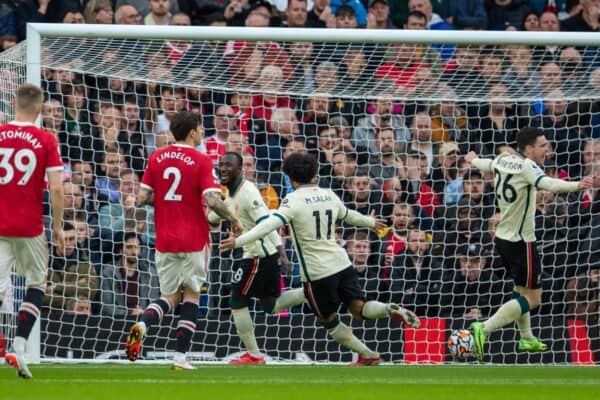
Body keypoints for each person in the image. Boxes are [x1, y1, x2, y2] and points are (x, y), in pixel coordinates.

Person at [220, 152, 420, 366]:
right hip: (342, 264)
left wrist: (238, 242)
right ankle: (387, 308)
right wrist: (370, 222)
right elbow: (348, 215)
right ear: (314, 174)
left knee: (329, 321)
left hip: (318, 273)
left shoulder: (292, 201)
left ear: (290, 178)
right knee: (359, 309)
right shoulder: (329, 194)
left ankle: (368, 354)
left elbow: (268, 225)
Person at [124, 111, 242, 371]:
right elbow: (212, 201)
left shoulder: (157, 157)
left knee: (168, 296)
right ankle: (180, 357)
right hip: (194, 238)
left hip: (164, 238)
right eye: (200, 129)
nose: (201, 133)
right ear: (192, 132)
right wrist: (234, 219)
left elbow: (143, 198)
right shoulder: (200, 160)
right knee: (191, 297)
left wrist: (166, 199)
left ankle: (142, 324)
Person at [465, 127, 595, 361]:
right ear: (528, 148)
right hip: (522, 242)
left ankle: (526, 337)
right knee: (533, 298)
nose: (547, 149)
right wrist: (578, 185)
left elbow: (487, 164)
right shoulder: (527, 166)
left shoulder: (504, 160)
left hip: (503, 239)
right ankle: (483, 328)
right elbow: (550, 185)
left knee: (520, 290)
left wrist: (473, 160)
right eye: (542, 145)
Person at [208, 152, 302, 365]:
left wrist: (282, 253)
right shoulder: (231, 193)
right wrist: (211, 209)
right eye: (221, 165)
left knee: (237, 300)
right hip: (260, 255)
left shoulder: (248, 192)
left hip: (257, 255)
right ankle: (309, 293)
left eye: (228, 166)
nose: (223, 169)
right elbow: (217, 215)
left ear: (240, 170)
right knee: (270, 306)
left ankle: (254, 355)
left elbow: (266, 223)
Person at [1, 84, 65, 379]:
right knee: (37, 283)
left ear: (15, 102)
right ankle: (18, 345)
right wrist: (58, 225)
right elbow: (57, 187)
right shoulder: (45, 139)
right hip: (29, 226)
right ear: (39, 108)